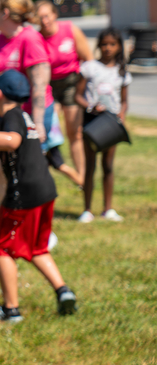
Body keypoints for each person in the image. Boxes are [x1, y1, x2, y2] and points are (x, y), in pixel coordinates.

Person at [0, 70, 77, 322]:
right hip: (45, 191)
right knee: (37, 247)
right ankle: (63, 291)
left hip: (24, 195)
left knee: (3, 248)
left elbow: (12, 141)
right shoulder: (24, 117)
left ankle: (11, 310)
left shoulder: (12, 118)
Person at [0, 0, 62, 249]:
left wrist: (37, 124)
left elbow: (39, 84)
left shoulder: (30, 39)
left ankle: (43, 229)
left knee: (29, 171)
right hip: (1, 112)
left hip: (29, 115)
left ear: (6, 13)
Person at [75, 27, 132, 223]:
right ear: (99, 45)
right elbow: (78, 95)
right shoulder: (90, 67)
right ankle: (87, 209)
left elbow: (124, 101)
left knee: (108, 165)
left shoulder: (122, 71)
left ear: (119, 47)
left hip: (111, 122)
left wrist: (121, 116)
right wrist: (90, 106)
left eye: (112, 44)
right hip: (92, 120)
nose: (108, 48)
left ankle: (108, 209)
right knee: (90, 165)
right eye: (104, 44)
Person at [38, 0, 93, 181]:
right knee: (49, 129)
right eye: (40, 18)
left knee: (74, 131)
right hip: (48, 85)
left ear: (54, 15)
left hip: (71, 83)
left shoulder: (69, 30)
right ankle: (50, 169)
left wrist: (84, 86)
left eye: (47, 16)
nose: (44, 21)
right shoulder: (37, 38)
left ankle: (82, 176)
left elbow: (88, 58)